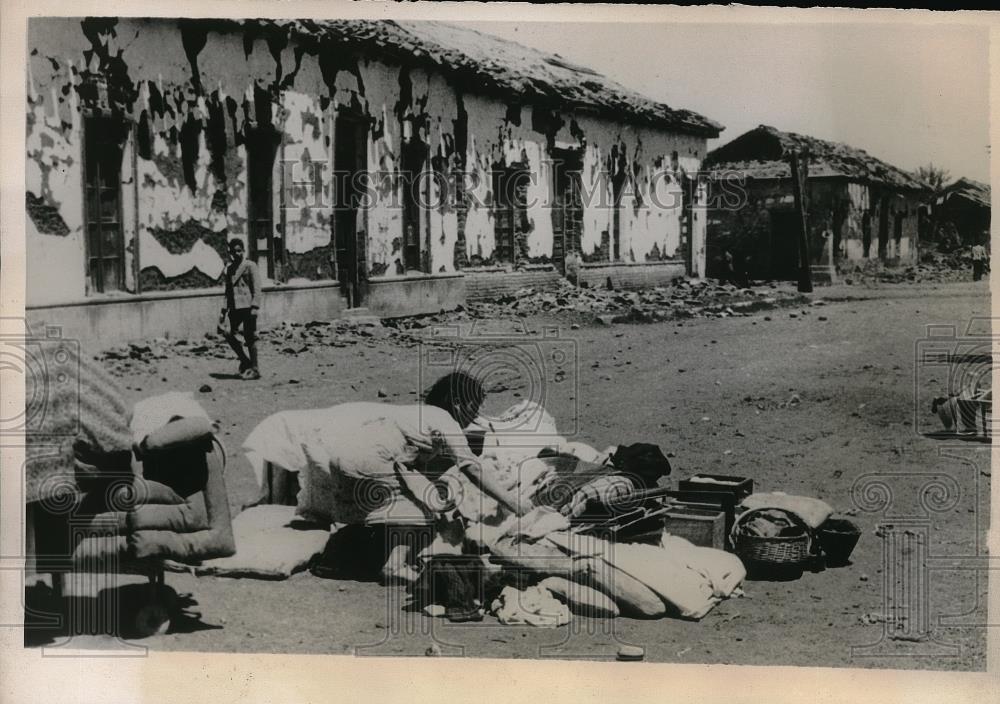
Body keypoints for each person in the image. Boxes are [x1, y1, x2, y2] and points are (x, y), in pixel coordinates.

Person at [220, 239, 262, 379]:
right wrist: (223, 311)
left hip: (248, 307)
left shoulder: (250, 265)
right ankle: (245, 360)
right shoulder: (230, 269)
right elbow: (228, 291)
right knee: (228, 333)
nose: (236, 254)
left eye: (239, 251)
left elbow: (257, 288)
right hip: (234, 308)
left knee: (250, 337)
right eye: (233, 252)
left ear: (243, 250)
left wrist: (255, 306)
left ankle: (255, 369)